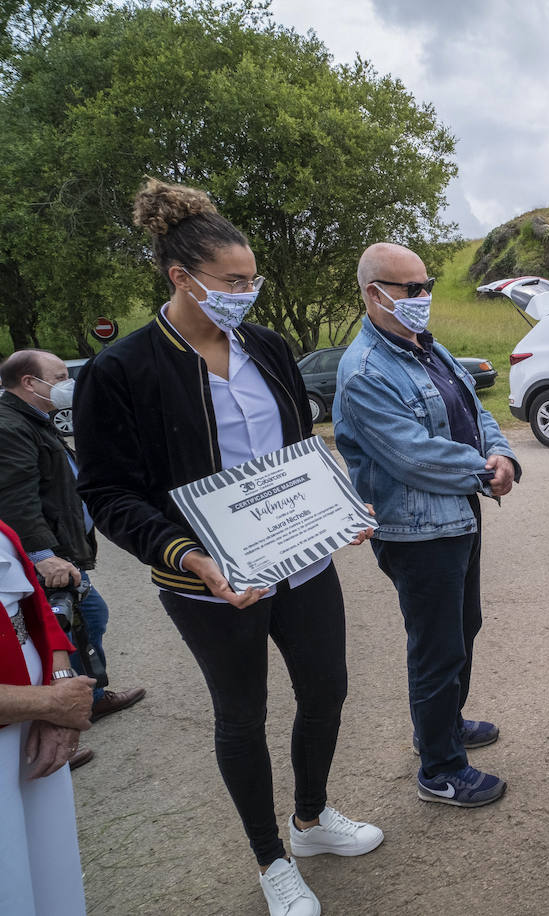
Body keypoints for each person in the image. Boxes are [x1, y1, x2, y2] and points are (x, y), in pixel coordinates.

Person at [74, 179, 382, 916]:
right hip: (208, 582)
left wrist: (337, 506)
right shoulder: (123, 370)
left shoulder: (268, 347)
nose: (248, 292)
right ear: (181, 278)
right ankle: (271, 862)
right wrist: (189, 558)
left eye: (253, 279)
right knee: (241, 715)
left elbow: (299, 447)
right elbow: (109, 492)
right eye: (233, 281)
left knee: (328, 690)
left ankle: (309, 821)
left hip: (302, 563)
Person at [334, 243, 518, 808]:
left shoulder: (424, 348)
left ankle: (443, 724)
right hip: (417, 531)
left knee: (465, 628)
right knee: (436, 649)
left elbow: (477, 412)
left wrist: (504, 453)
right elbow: (413, 455)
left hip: (459, 515)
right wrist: (484, 473)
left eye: (427, 284)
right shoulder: (364, 369)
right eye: (410, 288)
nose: (423, 297)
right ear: (374, 293)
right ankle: (439, 768)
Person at [0, 349, 146, 760]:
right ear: (29, 382)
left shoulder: (30, 420)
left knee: (82, 622)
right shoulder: (10, 427)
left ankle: (87, 700)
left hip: (61, 551)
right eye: (60, 375)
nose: (67, 383)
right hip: (44, 559)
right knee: (66, 629)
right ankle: (59, 722)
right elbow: (15, 502)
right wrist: (43, 556)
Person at [0, 518, 92, 916]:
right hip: (25, 711)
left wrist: (58, 682)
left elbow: (32, 597)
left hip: (35, 717)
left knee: (51, 868)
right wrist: (50, 704)